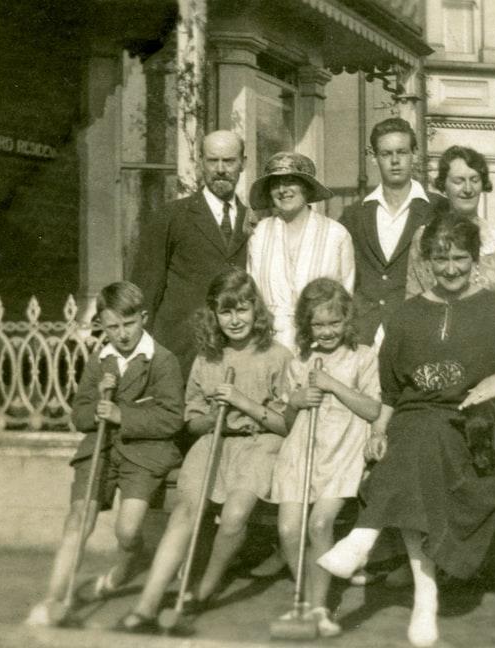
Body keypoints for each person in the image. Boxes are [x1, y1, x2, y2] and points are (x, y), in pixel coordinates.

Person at [316, 215, 495, 647]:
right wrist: (379, 429)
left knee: (423, 443)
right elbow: (393, 394)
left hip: (474, 431)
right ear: (426, 262)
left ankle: (363, 537)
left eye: (459, 258)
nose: (451, 268)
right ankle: (425, 596)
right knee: (414, 441)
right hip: (413, 429)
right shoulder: (404, 317)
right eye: (440, 259)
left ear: (474, 259)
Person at [117, 269, 292, 633]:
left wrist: (241, 402)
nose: (235, 320)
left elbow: (285, 424)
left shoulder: (277, 356)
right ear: (214, 315)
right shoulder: (207, 358)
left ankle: (203, 589)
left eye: (242, 310)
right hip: (215, 442)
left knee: (233, 517)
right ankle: (147, 605)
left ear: (255, 310)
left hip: (262, 445)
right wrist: (215, 417)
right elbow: (191, 421)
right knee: (185, 512)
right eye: (225, 312)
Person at [27, 282, 184, 626]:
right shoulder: (100, 361)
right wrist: (96, 408)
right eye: (113, 326)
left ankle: (126, 566)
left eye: (129, 324)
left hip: (144, 453)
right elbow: (79, 414)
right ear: (101, 324)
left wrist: (121, 416)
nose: (122, 334)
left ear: (143, 318)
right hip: (100, 449)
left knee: (127, 532)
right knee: (78, 520)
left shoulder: (163, 360)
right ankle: (56, 597)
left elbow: (172, 418)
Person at [270, 278, 380, 637]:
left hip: (342, 452)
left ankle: (319, 608)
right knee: (288, 529)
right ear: (306, 325)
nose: (328, 331)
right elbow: (287, 423)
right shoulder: (299, 362)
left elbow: (373, 409)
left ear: (348, 320)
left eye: (335, 323)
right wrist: (295, 401)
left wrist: (333, 385)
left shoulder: (363, 357)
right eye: (319, 324)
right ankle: (304, 595)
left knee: (319, 525)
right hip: (300, 451)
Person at [130, 130, 250, 377]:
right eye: (212, 160)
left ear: (242, 164)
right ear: (200, 163)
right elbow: (146, 289)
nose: (220, 169)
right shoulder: (171, 216)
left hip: (238, 354)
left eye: (228, 161)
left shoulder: (255, 221)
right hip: (181, 352)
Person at [339, 117, 442, 345]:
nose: (395, 161)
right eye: (386, 154)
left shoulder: (438, 209)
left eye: (402, 152)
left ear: (414, 154)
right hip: (364, 334)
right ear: (374, 158)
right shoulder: (355, 215)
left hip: (417, 331)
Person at [247, 151, 355, 350]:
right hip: (269, 344)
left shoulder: (336, 235)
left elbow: (346, 295)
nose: (282, 190)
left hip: (321, 344)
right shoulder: (259, 234)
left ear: (306, 188)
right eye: (275, 184)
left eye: (290, 181)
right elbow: (252, 293)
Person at [407, 145, 495, 305]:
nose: (468, 189)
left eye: (474, 180)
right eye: (459, 181)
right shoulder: (424, 237)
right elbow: (414, 302)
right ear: (443, 185)